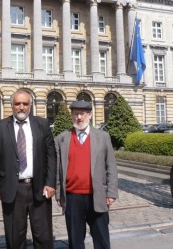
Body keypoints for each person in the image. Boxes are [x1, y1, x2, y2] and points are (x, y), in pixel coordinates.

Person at [0, 90, 57, 249]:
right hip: (12, 190)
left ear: (30, 106)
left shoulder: (42, 124)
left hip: (39, 189)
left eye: (25, 104)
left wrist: (51, 183)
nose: (21, 107)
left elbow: (51, 156)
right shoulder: (0, 127)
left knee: (43, 237)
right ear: (12, 106)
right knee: (15, 238)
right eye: (18, 103)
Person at [54, 100, 118, 249]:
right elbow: (58, 169)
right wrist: (58, 193)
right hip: (72, 197)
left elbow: (111, 165)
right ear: (71, 116)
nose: (79, 118)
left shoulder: (103, 137)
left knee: (101, 237)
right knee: (75, 240)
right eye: (75, 114)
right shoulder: (62, 139)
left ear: (90, 115)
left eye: (82, 114)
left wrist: (112, 191)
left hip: (97, 195)